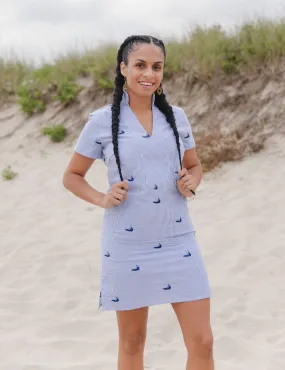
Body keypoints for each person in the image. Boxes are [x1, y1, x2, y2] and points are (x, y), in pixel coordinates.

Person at [63, 35, 214, 370]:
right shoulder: (101, 121)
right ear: (123, 69)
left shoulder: (177, 117)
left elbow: (194, 165)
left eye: (157, 66)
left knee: (203, 342)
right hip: (127, 244)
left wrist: (193, 180)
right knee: (133, 343)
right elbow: (72, 176)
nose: (149, 73)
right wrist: (102, 198)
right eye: (140, 65)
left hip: (179, 242)